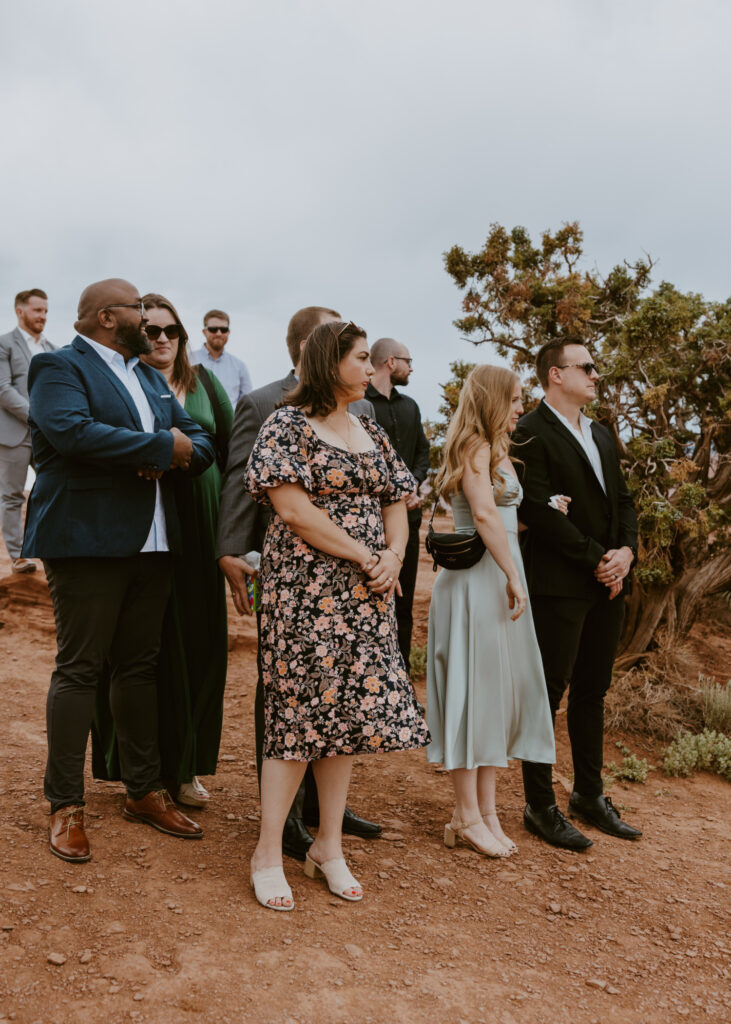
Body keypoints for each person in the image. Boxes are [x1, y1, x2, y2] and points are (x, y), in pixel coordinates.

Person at [21, 278, 216, 863]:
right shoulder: (60, 367)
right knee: (79, 668)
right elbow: (70, 433)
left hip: (154, 542)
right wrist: (159, 448)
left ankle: (143, 791)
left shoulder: (149, 377)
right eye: (141, 314)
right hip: (86, 539)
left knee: (138, 667)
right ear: (109, 316)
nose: (152, 325)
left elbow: (201, 440)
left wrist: (175, 448)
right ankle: (65, 805)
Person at [245, 320, 429, 910]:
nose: (369, 368)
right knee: (296, 715)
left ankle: (328, 845)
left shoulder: (368, 429)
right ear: (329, 364)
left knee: (345, 715)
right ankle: (268, 852)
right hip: (304, 591)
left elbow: (396, 499)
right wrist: (366, 554)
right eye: (358, 359)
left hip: (367, 591)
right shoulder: (286, 424)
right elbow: (293, 511)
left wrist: (395, 557)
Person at [216, 305, 380, 862]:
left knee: (340, 696)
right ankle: (280, 823)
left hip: (354, 583)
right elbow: (244, 484)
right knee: (288, 697)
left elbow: (389, 492)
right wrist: (231, 550)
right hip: (292, 574)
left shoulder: (363, 414)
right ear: (314, 347)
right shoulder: (264, 404)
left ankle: (322, 816)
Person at [92, 293, 233, 809]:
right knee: (143, 652)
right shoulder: (122, 384)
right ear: (133, 333)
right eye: (151, 330)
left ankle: (187, 765)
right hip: (143, 525)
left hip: (200, 524)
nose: (163, 340)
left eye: (171, 331)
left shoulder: (205, 384)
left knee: (199, 646)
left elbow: (229, 450)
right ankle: (135, 766)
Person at [514, 338, 642, 849]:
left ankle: (589, 795)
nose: (595, 374)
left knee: (593, 691)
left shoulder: (602, 433)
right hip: (561, 583)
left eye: (595, 367)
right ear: (555, 375)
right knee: (548, 692)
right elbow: (538, 512)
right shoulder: (529, 432)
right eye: (586, 367)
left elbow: (625, 500)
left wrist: (626, 553)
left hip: (610, 582)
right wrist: (598, 558)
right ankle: (539, 805)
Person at [426, 365, 555, 858]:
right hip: (478, 585)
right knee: (471, 697)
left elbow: (502, 518)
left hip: (496, 580)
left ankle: (486, 812)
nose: (522, 407)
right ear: (495, 399)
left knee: (492, 697)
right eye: (517, 398)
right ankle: (464, 813)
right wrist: (514, 576)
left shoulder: (495, 449)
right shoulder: (473, 446)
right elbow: (482, 516)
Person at [366, 337, 430, 669]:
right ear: (391, 362)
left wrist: (413, 486)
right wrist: (392, 491)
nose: (411, 367)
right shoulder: (359, 404)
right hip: (371, 523)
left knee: (404, 608)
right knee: (375, 603)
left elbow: (422, 452)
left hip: (410, 519)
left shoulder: (412, 406)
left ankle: (401, 681)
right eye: (407, 360)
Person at [0, 289, 55, 574]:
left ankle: (52, 550)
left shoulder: (52, 349)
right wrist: (38, 417)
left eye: (45, 311)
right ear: (20, 311)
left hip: (47, 436)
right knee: (12, 496)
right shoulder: (4, 344)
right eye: (37, 311)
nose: (43, 316)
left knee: (54, 488)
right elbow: (2, 389)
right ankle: (18, 557)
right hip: (14, 434)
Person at [191, 308, 252, 407]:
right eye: (213, 329)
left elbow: (247, 402)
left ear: (228, 332)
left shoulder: (240, 367)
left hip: (231, 422)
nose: (219, 333)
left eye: (223, 330)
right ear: (204, 332)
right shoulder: (188, 360)